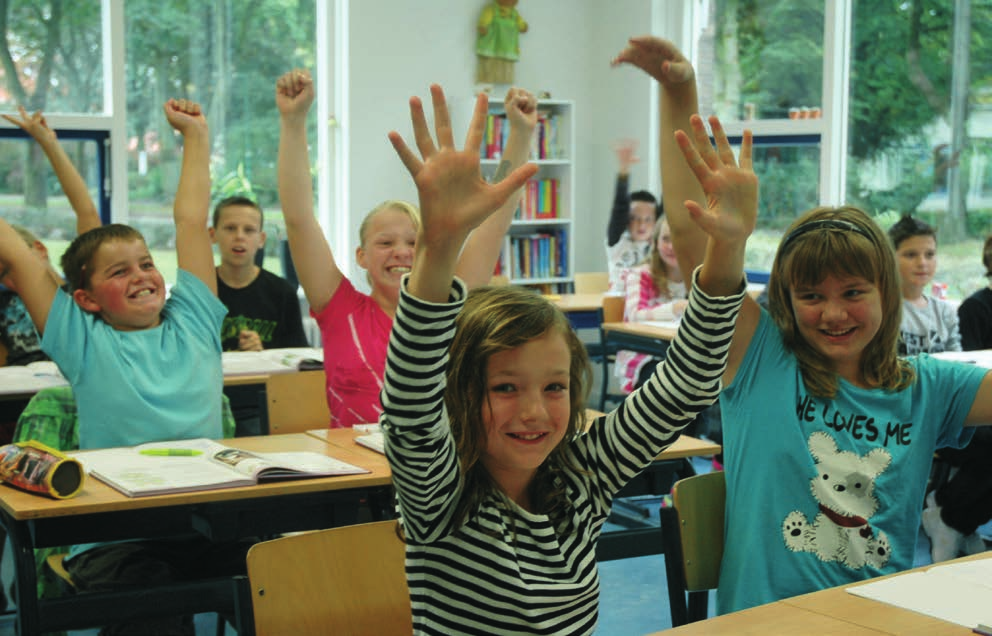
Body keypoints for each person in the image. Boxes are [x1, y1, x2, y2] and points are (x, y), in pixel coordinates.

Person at [614, 35, 992, 615]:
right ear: (787, 300)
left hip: (880, 623)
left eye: (853, 293)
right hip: (766, 625)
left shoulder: (927, 386)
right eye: (811, 295)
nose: (834, 312)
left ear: (886, 296)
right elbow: (697, 239)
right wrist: (678, 89)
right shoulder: (761, 358)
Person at [379, 79, 753, 634]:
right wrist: (440, 246)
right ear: (457, 392)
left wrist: (728, 248)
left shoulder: (582, 475)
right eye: (505, 388)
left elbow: (686, 385)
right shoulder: (440, 497)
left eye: (554, 388)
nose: (535, 412)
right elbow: (410, 408)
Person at [0, 98, 251, 635]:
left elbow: (189, 219)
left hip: (205, 521)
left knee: (284, 577)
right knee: (152, 608)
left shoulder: (196, 321)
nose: (142, 276)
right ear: (87, 299)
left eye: (146, 264)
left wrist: (196, 136)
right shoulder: (81, 340)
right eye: (120, 272)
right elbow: (15, 251)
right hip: (116, 535)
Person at [276, 69, 538, 428]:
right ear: (361, 257)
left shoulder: (449, 307)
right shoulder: (340, 309)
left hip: (434, 470)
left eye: (413, 243)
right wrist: (293, 121)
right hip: (358, 475)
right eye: (385, 243)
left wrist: (520, 133)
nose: (400, 252)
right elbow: (299, 220)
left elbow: (494, 222)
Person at [0, 106, 102, 368]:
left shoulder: (83, 292)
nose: (11, 282)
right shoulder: (5, 303)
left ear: (39, 249)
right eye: (0, 278)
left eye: (7, 271)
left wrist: (49, 144)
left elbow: (87, 213)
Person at [921, 236, 992, 562]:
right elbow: (969, 368)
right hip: (953, 412)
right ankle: (952, 518)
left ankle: (959, 519)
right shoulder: (977, 308)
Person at [210, 195, 307, 352]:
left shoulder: (283, 293)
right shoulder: (201, 291)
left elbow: (299, 359)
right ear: (213, 234)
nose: (239, 236)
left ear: (261, 239)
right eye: (230, 228)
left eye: (249, 230)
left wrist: (262, 353)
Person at [616, 215, 687, 393]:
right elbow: (635, 315)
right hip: (645, 356)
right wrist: (676, 307)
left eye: (678, 240)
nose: (671, 247)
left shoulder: (697, 277)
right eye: (665, 239)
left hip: (684, 356)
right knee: (675, 384)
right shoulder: (639, 275)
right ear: (655, 243)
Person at [887, 215, 960, 355]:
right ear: (889, 257)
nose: (922, 263)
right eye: (911, 255)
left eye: (930, 254)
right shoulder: (881, 308)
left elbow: (958, 363)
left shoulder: (945, 312)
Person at [605, 138, 660, 293]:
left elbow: (669, 201)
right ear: (626, 221)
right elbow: (619, 207)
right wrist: (624, 169)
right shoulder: (617, 242)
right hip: (620, 303)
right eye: (635, 219)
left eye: (648, 220)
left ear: (656, 222)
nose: (641, 225)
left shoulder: (659, 246)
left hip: (648, 304)